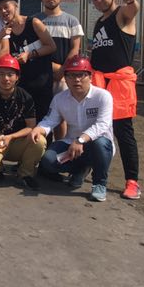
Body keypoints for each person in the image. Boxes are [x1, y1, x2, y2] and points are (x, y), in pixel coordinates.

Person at [87, 0, 141, 200]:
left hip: (119, 83)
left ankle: (132, 182)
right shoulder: (99, 22)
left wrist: (131, 1)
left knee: (123, 131)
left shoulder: (121, 14)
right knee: (96, 129)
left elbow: (132, 10)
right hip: (100, 83)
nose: (99, 0)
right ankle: (93, 171)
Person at [33, 56, 115, 202]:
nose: (77, 80)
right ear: (65, 78)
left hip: (97, 144)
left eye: (81, 75)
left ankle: (99, 183)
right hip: (71, 143)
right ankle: (80, 169)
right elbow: (50, 120)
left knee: (100, 144)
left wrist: (81, 140)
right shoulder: (59, 99)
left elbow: (103, 125)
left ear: (90, 77)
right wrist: (39, 129)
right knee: (48, 160)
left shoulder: (103, 96)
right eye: (71, 75)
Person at [0, 55, 45, 190]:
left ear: (17, 77)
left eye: (10, 74)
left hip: (18, 139)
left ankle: (25, 174)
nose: (6, 78)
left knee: (39, 141)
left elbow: (31, 126)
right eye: (1, 74)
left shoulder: (25, 97)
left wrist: (11, 137)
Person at [0, 0, 56, 121]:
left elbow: (51, 46)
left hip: (41, 81)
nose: (3, 11)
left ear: (15, 5)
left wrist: (30, 54)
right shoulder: (5, 31)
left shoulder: (33, 23)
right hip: (21, 85)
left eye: (6, 7)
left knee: (43, 120)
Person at [34, 0, 83, 93]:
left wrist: (62, 71)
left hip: (63, 78)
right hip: (38, 75)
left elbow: (75, 49)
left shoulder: (72, 21)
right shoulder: (34, 21)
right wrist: (50, 66)